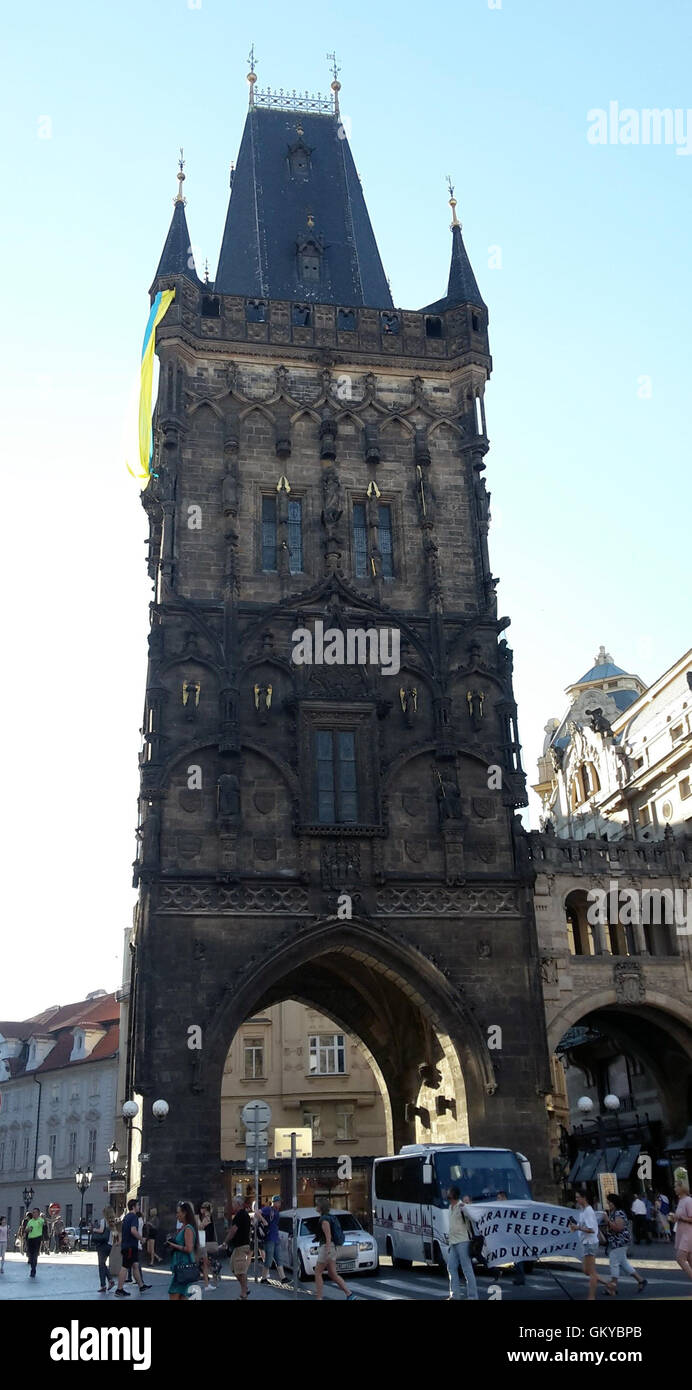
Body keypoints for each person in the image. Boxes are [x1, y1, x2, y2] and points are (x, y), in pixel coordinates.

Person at [568, 1192, 612, 1300]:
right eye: (576, 1197)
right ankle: (609, 1285)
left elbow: (591, 1229)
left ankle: (591, 1297)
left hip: (590, 1243)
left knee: (591, 1272)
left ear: (584, 1198)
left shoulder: (588, 1211)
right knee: (586, 1271)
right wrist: (576, 1227)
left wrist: (578, 1228)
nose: (576, 1199)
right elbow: (584, 1226)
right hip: (585, 1243)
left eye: (578, 1197)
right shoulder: (583, 1211)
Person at [602, 1193, 647, 1296]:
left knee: (614, 1263)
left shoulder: (618, 1213)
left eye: (609, 1202)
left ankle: (612, 1287)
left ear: (614, 1203)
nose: (608, 1204)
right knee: (623, 1263)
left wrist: (607, 1220)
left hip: (619, 1242)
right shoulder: (615, 1212)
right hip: (617, 1241)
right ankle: (640, 1280)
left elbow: (618, 1228)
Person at [313, 1198, 356, 1302]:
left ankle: (319, 1297)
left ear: (321, 1207)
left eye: (317, 1205)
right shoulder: (330, 1217)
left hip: (327, 1248)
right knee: (332, 1274)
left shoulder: (324, 1220)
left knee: (318, 1273)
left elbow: (328, 1236)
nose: (315, 1207)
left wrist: (327, 1250)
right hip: (332, 1248)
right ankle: (349, 1294)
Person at [445, 1187, 478, 1301]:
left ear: (453, 1195)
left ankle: (473, 1296)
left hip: (463, 1241)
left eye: (449, 1192)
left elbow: (474, 1217)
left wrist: (469, 1207)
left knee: (467, 1269)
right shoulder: (450, 1207)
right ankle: (454, 1295)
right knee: (451, 1267)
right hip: (453, 1242)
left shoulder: (462, 1207)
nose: (447, 1193)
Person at [115, 1199, 151, 1297]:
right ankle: (119, 1289)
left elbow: (123, 1232)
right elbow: (133, 1231)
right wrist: (141, 1239)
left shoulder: (126, 1217)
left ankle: (141, 1285)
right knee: (125, 1267)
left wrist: (120, 1242)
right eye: (138, 1205)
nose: (139, 1207)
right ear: (134, 1207)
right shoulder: (134, 1217)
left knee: (135, 1265)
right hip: (130, 1246)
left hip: (128, 1246)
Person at [220, 1197, 253, 1300]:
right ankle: (245, 1288)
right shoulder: (243, 1215)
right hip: (239, 1246)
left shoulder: (240, 1215)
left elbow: (233, 1230)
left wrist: (225, 1242)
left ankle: (244, 1293)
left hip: (241, 1246)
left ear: (238, 1204)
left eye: (233, 1203)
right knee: (233, 1268)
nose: (232, 1205)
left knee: (240, 1271)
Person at [166, 1201, 200, 1301]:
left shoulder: (188, 1228)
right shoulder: (185, 1228)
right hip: (182, 1267)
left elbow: (189, 1248)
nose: (177, 1215)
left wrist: (173, 1245)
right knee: (182, 1295)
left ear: (184, 1213)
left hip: (182, 1267)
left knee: (174, 1293)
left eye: (178, 1212)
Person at [496, 1190, 527, 1287]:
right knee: (515, 1257)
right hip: (510, 1235)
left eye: (499, 1198)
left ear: (503, 1197)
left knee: (517, 1257)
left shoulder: (509, 1207)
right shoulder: (504, 1207)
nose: (497, 1200)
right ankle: (519, 1277)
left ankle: (520, 1278)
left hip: (515, 1235)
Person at [259, 1196, 291, 1286]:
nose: (280, 1204)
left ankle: (283, 1278)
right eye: (279, 1202)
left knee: (278, 1258)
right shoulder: (268, 1209)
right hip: (269, 1238)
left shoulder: (276, 1211)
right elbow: (257, 1212)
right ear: (275, 1202)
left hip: (275, 1237)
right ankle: (263, 1278)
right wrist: (264, 1220)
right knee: (269, 1259)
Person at [671, 1178, 692, 1285]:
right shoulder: (680, 1201)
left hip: (688, 1234)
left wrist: (680, 1218)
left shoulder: (688, 1200)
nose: (674, 1189)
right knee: (689, 1259)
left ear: (681, 1187)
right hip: (682, 1232)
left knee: (680, 1258)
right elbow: (679, 1217)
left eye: (676, 1186)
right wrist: (674, 1217)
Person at [92, 1206, 116, 1293]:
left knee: (101, 1265)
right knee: (103, 1264)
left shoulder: (103, 1221)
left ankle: (103, 1285)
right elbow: (115, 1234)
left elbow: (101, 1231)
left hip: (102, 1245)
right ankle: (110, 1281)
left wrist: (94, 1229)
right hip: (109, 1246)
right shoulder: (113, 1222)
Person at [25, 1208, 47, 1279]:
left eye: (35, 1212)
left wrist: (48, 1218)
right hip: (30, 1239)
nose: (34, 1214)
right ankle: (32, 1266)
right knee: (31, 1256)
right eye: (33, 1212)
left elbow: (45, 1223)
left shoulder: (40, 1220)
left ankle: (33, 1270)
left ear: (38, 1213)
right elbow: (26, 1230)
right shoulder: (30, 1221)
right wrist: (28, 1229)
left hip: (37, 1239)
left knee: (35, 1255)